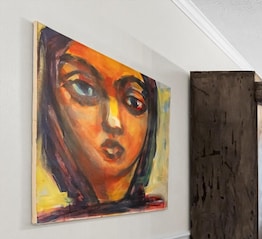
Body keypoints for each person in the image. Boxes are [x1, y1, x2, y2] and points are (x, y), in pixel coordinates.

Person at [34, 24, 166, 223]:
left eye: (133, 101)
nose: (114, 122)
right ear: (49, 101)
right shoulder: (49, 220)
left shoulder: (159, 208)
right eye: (83, 88)